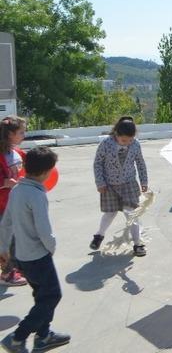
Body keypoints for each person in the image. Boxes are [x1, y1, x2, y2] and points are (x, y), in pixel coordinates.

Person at [0, 147, 71, 353]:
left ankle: (43, 335)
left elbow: (6, 223)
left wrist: (3, 248)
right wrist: (51, 247)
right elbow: (44, 229)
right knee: (52, 296)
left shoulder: (17, 190)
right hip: (38, 257)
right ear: (47, 172)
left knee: (42, 296)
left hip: (21, 257)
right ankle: (17, 337)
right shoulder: (37, 194)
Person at [91, 117, 148, 257]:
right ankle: (99, 235)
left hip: (129, 184)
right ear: (116, 134)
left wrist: (144, 181)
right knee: (110, 213)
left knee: (131, 214)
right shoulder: (106, 144)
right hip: (109, 185)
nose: (127, 143)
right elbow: (98, 163)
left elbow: (140, 163)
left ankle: (138, 243)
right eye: (124, 140)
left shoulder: (135, 145)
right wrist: (100, 182)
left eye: (130, 140)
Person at [0, 116, 28, 287]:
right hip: (2, 204)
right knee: (8, 239)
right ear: (10, 134)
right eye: (21, 132)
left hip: (14, 202)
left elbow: (26, 166)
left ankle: (15, 268)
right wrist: (4, 182)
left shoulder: (15, 151)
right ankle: (7, 274)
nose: (24, 135)